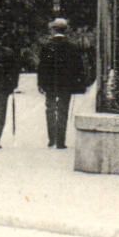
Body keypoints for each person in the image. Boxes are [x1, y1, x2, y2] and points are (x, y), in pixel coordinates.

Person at [37, 17, 89, 149]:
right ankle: (61, 141)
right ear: (65, 30)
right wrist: (79, 84)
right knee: (63, 110)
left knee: (50, 109)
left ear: (53, 30)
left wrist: (40, 83)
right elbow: (78, 67)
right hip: (66, 84)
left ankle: (51, 139)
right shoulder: (72, 46)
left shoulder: (47, 46)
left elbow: (42, 67)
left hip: (50, 84)